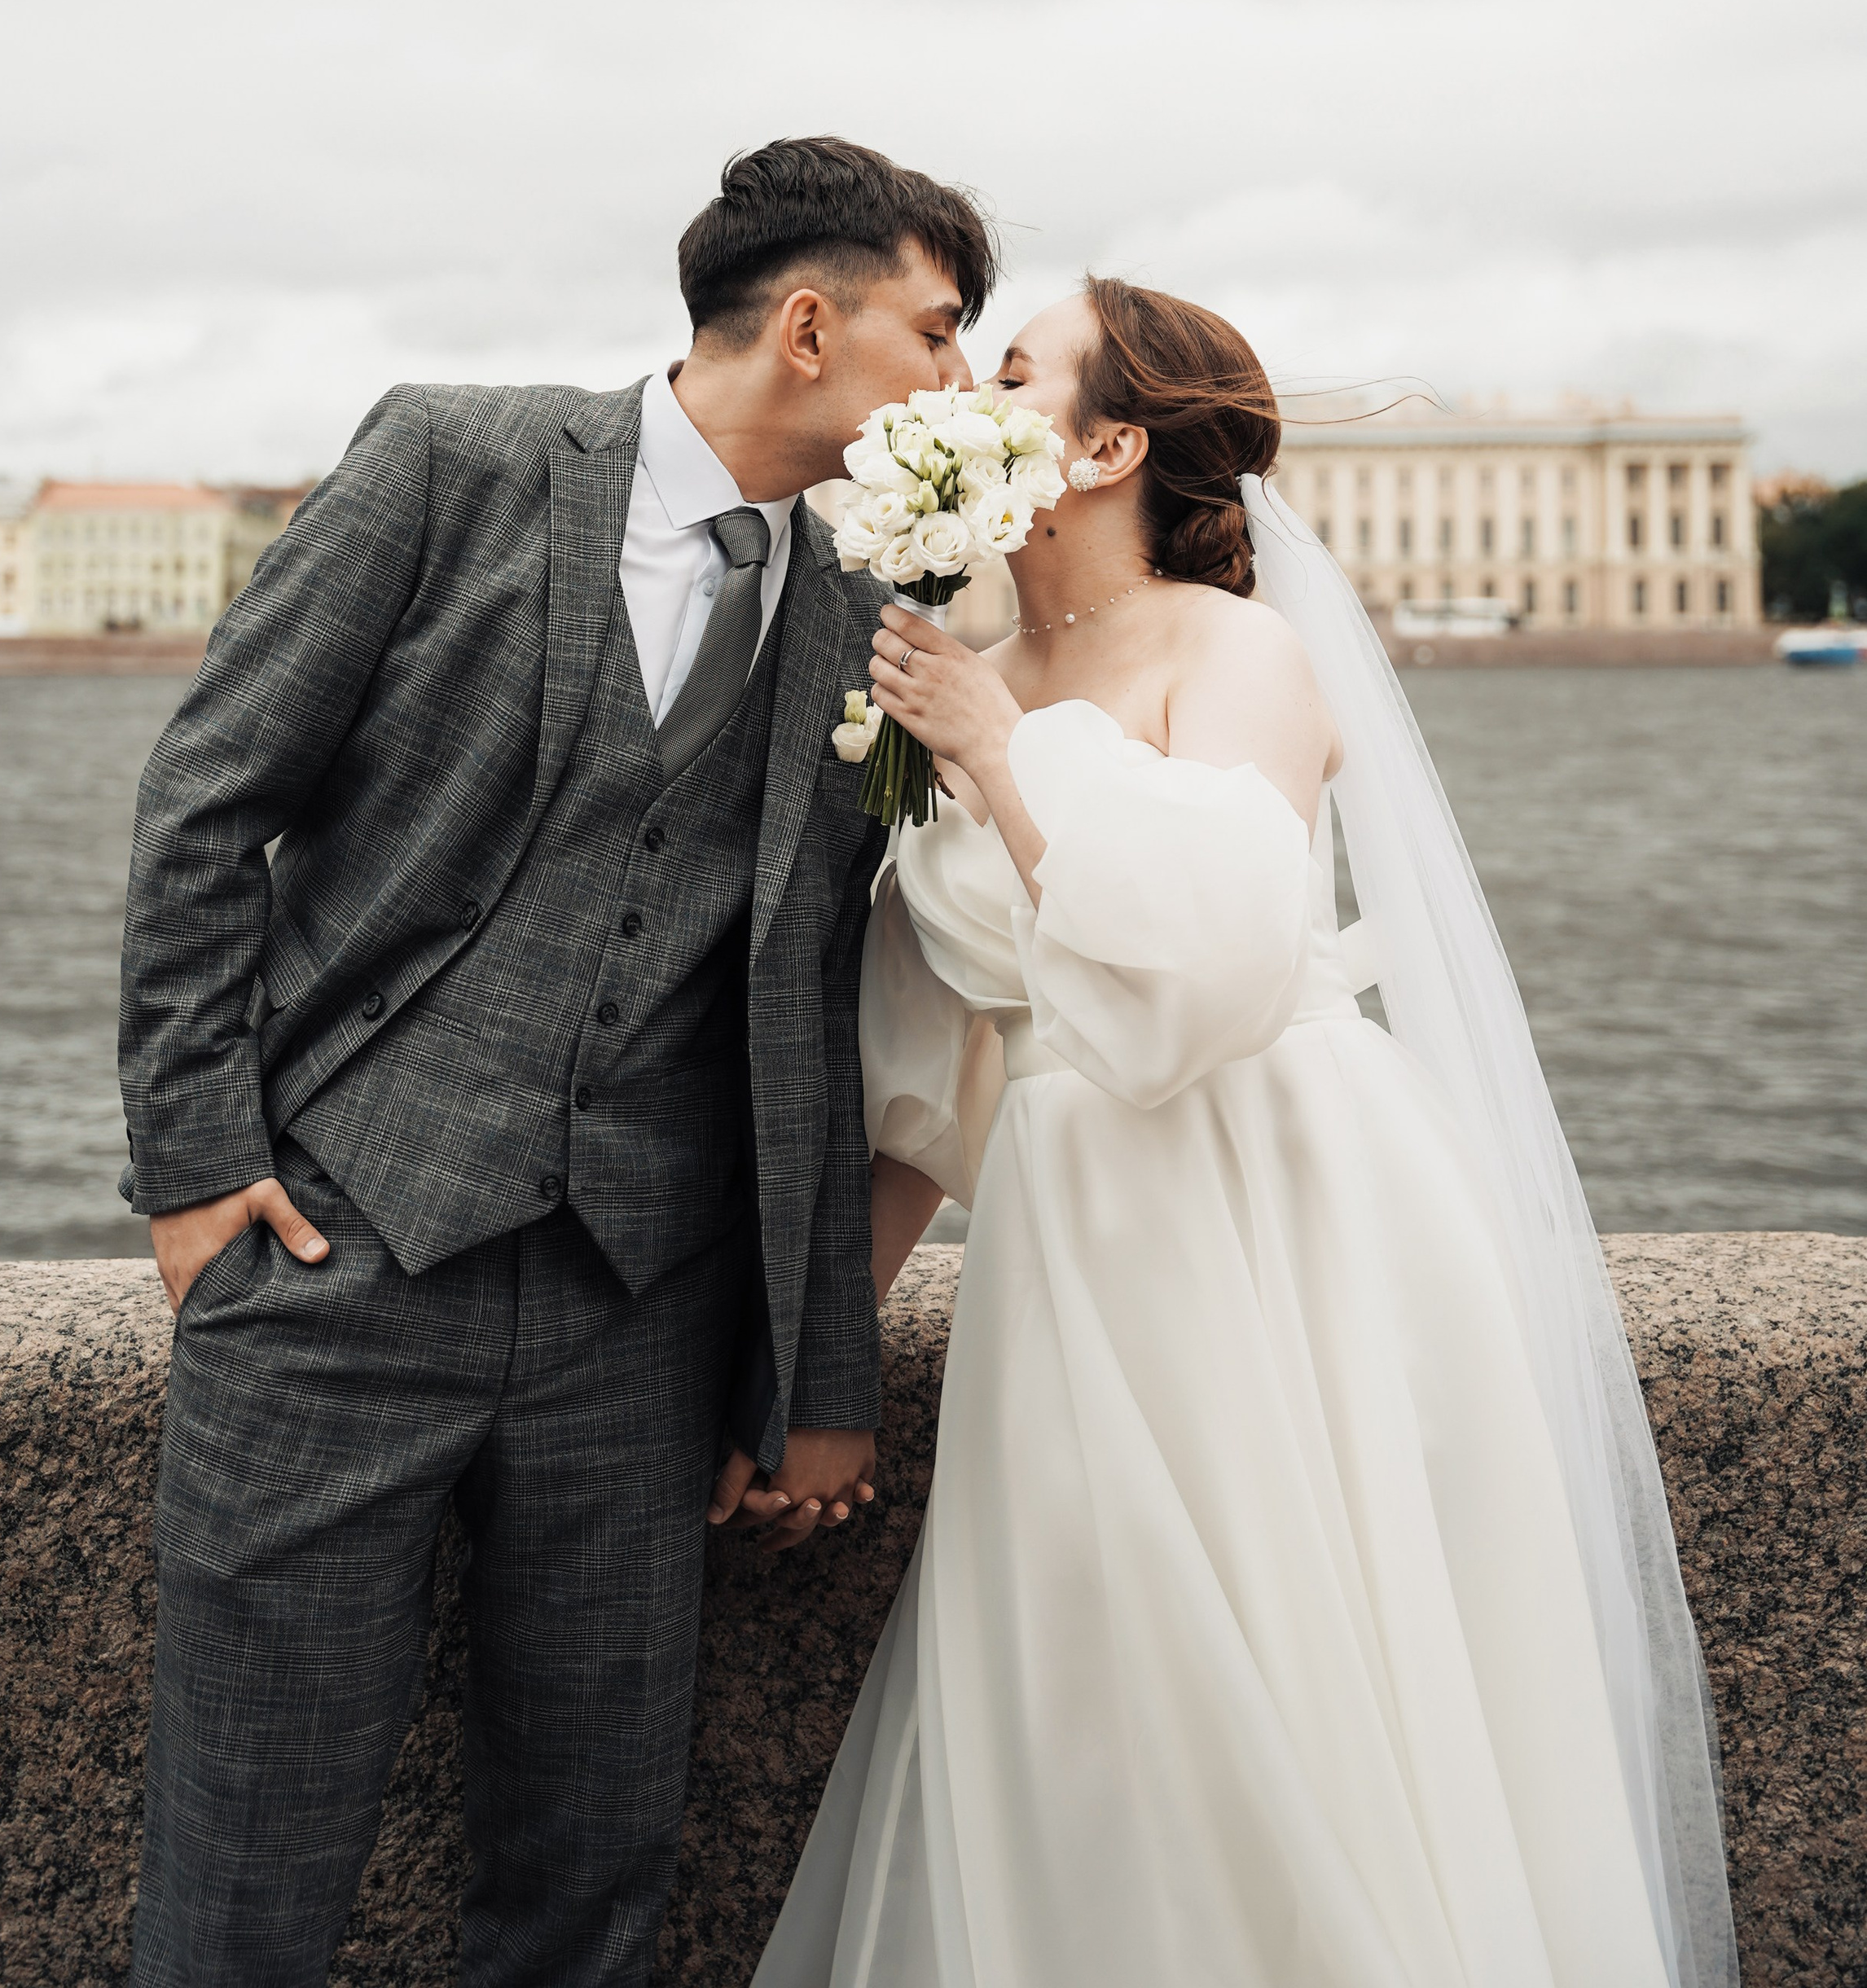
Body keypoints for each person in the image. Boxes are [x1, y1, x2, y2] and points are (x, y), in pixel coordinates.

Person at [758, 277, 1737, 1988]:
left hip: (1273, 1204)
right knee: (1090, 1692)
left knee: (1309, 1673)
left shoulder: (1238, 652)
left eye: (1008, 374)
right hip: (1071, 1245)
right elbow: (917, 1069)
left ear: (1107, 442)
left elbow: (1211, 959)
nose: (963, 397)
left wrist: (1001, 752)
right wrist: (806, 1376)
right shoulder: (944, 673)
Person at [116, 135, 999, 1988]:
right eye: (939, 332)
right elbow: (210, 801)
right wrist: (195, 1169)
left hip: (636, 1329)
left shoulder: (872, 616)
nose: (961, 379)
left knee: (593, 1887)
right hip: (335, 1270)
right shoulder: (453, 460)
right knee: (243, 1891)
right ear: (813, 327)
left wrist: (807, 1370)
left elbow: (830, 1011)